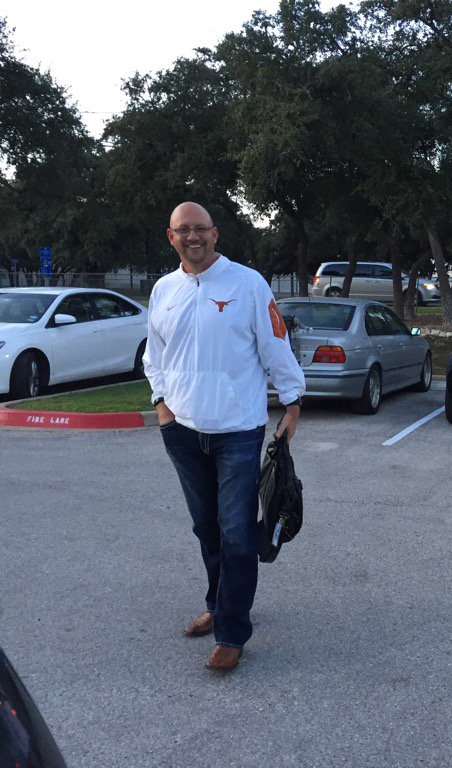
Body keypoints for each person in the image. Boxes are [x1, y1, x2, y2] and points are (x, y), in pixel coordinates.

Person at [143, 202, 305, 671]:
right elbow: (154, 355)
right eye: (183, 231)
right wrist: (162, 406)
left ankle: (232, 631)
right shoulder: (163, 289)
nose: (193, 237)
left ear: (215, 234)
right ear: (170, 237)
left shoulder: (247, 284)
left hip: (237, 429)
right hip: (182, 431)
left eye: (201, 230)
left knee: (236, 534)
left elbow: (275, 343)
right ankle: (217, 604)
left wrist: (292, 403)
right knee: (206, 528)